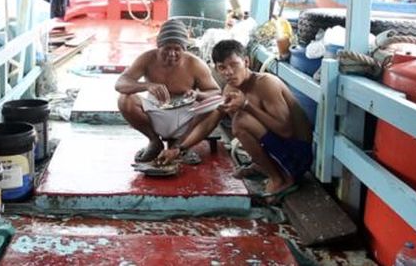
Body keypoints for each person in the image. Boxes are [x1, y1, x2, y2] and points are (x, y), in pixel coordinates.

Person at [156, 39, 313, 200]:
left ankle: (280, 179)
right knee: (235, 117)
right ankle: (264, 165)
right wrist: (178, 149)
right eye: (222, 68)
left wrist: (246, 105)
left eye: (234, 65)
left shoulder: (266, 84)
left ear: (246, 62)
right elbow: (210, 121)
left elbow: (286, 131)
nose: (228, 72)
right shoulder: (230, 89)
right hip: (279, 149)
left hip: (299, 156)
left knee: (241, 122)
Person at [116, 19, 221, 163]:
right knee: (124, 100)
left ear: (184, 49)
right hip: (155, 111)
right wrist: (147, 86)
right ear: (158, 46)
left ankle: (180, 146)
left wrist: (198, 94)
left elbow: (216, 92)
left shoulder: (195, 64)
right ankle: (154, 141)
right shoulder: (147, 59)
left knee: (217, 109)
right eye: (167, 49)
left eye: (177, 49)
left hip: (186, 115)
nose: (172, 54)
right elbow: (120, 83)